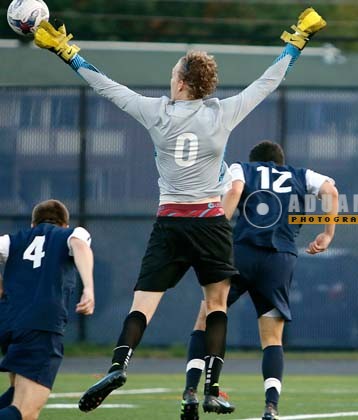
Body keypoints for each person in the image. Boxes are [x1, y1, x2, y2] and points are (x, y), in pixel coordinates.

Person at [32, 7, 327, 415]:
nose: (170, 79)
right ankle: (211, 388)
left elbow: (106, 86)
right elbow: (268, 81)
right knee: (216, 305)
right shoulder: (222, 113)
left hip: (169, 223)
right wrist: (297, 42)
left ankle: (118, 366)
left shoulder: (156, 113)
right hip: (210, 224)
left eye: (174, 74)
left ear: (183, 82)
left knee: (143, 303)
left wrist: (67, 53)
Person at [180, 141, 338, 420]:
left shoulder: (243, 168)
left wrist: (216, 231)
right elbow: (331, 191)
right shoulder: (301, 175)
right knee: (272, 338)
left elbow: (234, 190)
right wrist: (327, 234)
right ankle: (270, 407)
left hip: (241, 253)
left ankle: (191, 391)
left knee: (207, 316)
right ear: (280, 161)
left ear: (255, 160)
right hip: (279, 260)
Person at [0, 199, 95, 420]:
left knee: (17, 395)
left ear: (33, 224)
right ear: (64, 224)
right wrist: (89, 288)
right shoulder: (72, 233)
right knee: (25, 411)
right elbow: (79, 244)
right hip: (41, 322)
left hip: (9, 322)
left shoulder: (12, 240)